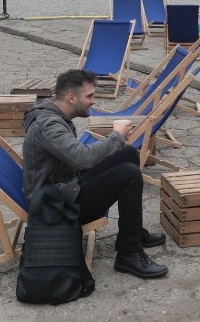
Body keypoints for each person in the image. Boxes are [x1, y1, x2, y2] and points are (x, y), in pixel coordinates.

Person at [22, 69, 168, 279]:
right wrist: (116, 136)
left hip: (64, 187)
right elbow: (82, 158)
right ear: (71, 98)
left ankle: (131, 236)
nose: (94, 101)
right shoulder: (48, 126)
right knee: (129, 174)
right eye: (90, 96)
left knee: (127, 153)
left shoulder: (52, 115)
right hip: (55, 205)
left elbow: (76, 160)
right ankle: (130, 255)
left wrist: (117, 142)